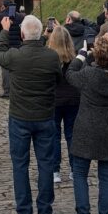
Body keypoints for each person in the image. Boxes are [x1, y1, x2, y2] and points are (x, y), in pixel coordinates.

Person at [0, 15, 62, 214]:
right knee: (46, 164)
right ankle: (45, 211)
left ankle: (24, 212)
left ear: (22, 34)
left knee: (20, 165)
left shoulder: (16, 56)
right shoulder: (52, 57)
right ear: (41, 32)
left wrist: (5, 30)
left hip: (20, 117)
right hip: (44, 116)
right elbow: (58, 80)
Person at [67, 34, 108, 214]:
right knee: (107, 176)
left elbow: (70, 74)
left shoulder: (88, 75)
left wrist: (82, 55)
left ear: (96, 55)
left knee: (80, 173)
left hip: (86, 129)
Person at [46, 26, 79, 184]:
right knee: (72, 135)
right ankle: (74, 169)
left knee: (54, 136)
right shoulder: (75, 57)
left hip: (54, 100)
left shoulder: (49, 58)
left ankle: (54, 170)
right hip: (72, 100)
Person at [0, 0, 24, 98]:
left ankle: (7, 91)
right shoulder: (21, 16)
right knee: (16, 68)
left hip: (5, 46)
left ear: (4, 6)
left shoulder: (0, 16)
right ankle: (17, 89)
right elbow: (22, 32)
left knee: (5, 69)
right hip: (17, 46)